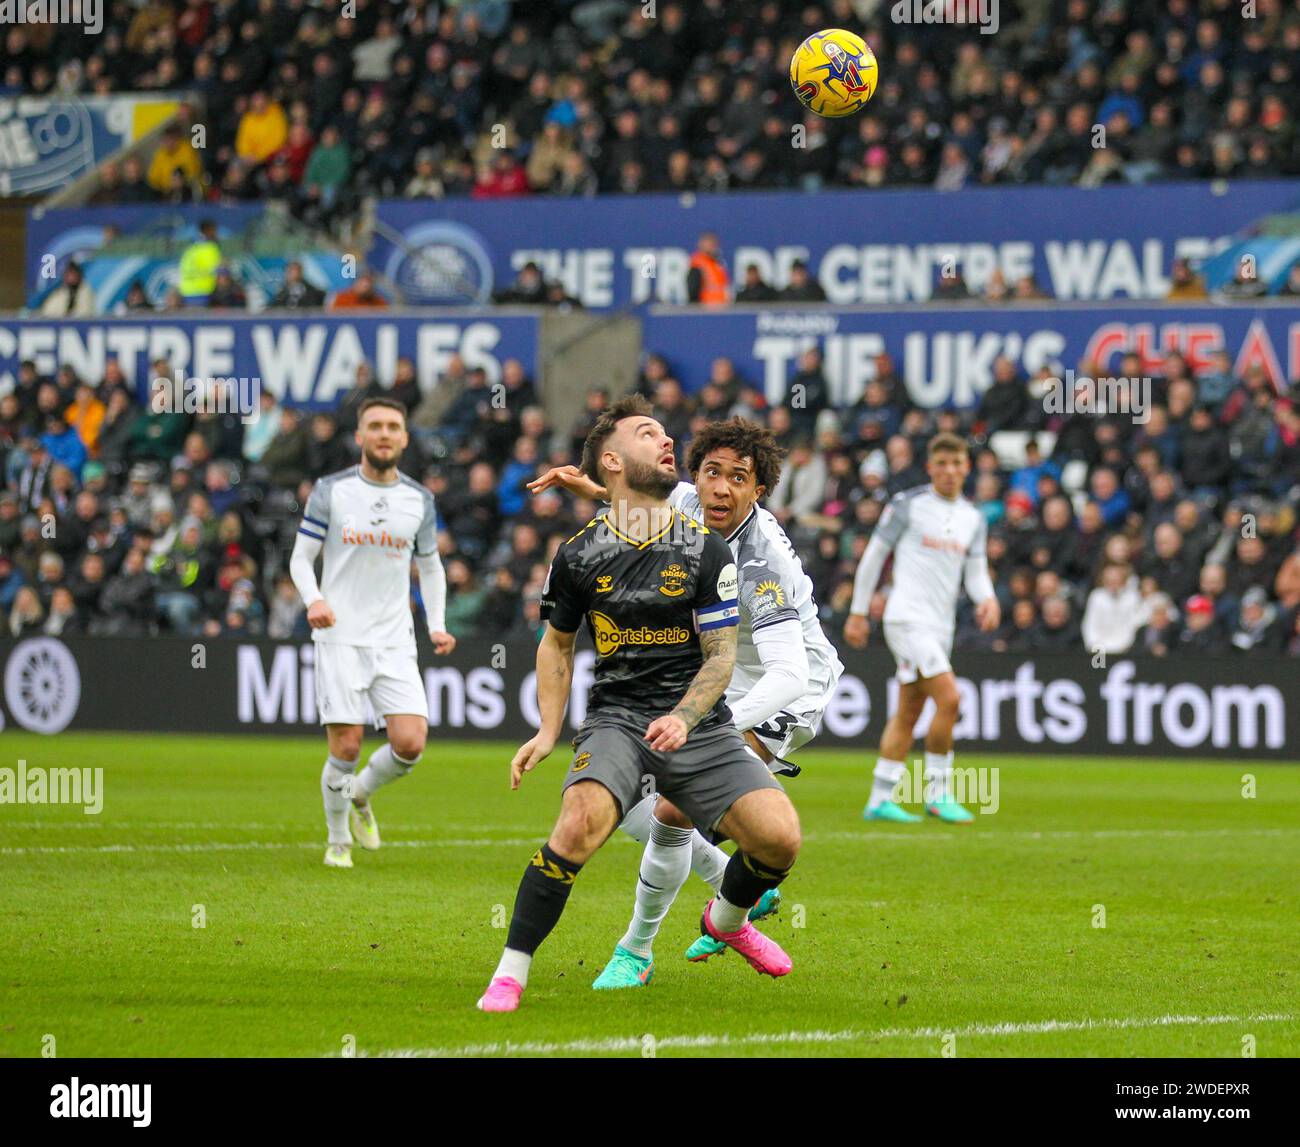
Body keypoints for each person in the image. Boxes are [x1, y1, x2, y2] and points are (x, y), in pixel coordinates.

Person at [478, 396, 801, 1013]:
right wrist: (548, 731)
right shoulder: (578, 554)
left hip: (705, 720)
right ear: (612, 459)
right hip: (619, 720)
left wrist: (684, 716)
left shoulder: (711, 551)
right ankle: (511, 973)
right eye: (649, 433)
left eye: (665, 432)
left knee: (781, 839)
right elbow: (556, 645)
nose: (667, 441)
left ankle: (724, 921)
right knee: (578, 826)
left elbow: (720, 656)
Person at [528, 416, 843, 983]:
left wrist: (697, 723)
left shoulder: (761, 557)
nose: (720, 488)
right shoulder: (688, 501)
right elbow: (637, 496)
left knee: (672, 811)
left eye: (738, 478)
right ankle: (723, 905)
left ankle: (650, 945)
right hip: (710, 671)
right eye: (711, 473)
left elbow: (789, 673)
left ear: (758, 489)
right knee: (642, 811)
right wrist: (593, 488)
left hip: (784, 688)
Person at [288, 398, 456, 868]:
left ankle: (360, 792)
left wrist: (436, 625)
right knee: (345, 744)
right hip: (339, 634)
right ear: (360, 436)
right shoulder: (331, 490)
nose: (384, 434)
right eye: (375, 426)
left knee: (411, 742)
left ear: (404, 437)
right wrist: (313, 599)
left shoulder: (418, 499)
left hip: (394, 638)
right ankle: (338, 840)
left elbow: (431, 566)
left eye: (393, 427)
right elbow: (301, 557)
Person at [843, 433, 1001, 823]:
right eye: (942, 464)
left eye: (957, 463)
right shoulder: (907, 505)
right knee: (950, 700)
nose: (949, 471)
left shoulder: (973, 518)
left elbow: (976, 571)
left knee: (910, 710)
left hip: (939, 625)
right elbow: (874, 555)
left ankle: (880, 799)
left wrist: (988, 598)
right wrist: (858, 611)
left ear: (967, 467)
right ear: (930, 468)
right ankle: (938, 792)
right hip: (906, 617)